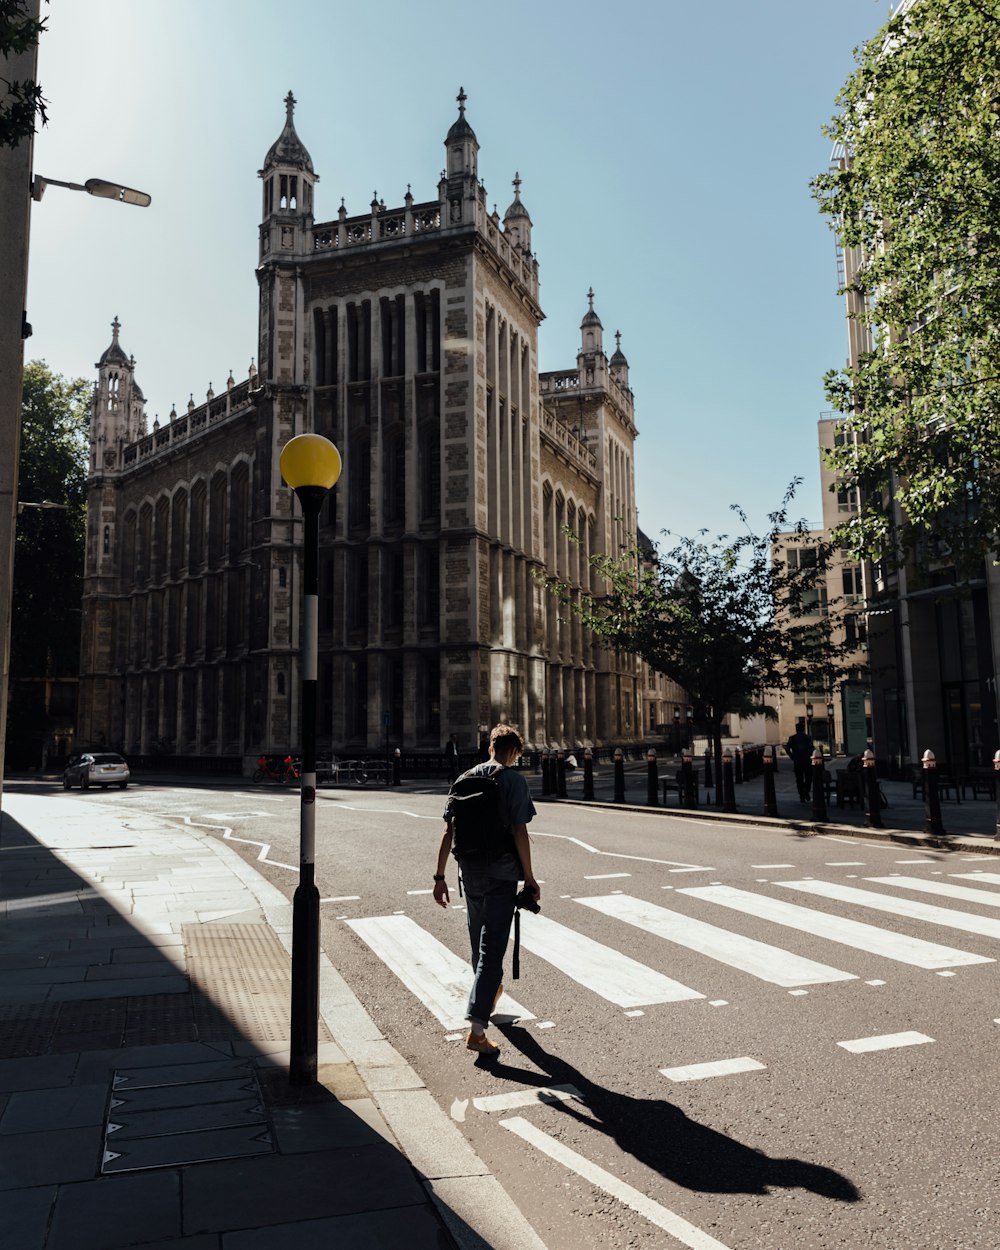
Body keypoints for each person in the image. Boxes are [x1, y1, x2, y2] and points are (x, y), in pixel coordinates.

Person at [433, 724, 540, 1057]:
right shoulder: (512, 781)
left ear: (490, 747)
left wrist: (439, 877)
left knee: (479, 946)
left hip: (469, 873)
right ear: (514, 751)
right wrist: (530, 878)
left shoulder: (464, 779)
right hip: (500, 875)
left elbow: (448, 832)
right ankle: (477, 1029)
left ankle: (489, 991)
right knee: (493, 950)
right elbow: (520, 832)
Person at [785, 726, 815, 802]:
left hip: (797, 761)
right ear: (803, 729)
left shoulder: (792, 738)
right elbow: (812, 748)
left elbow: (787, 749)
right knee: (809, 777)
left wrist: (792, 757)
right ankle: (806, 789)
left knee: (799, 779)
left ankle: (801, 795)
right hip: (807, 761)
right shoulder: (807, 737)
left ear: (796, 729)